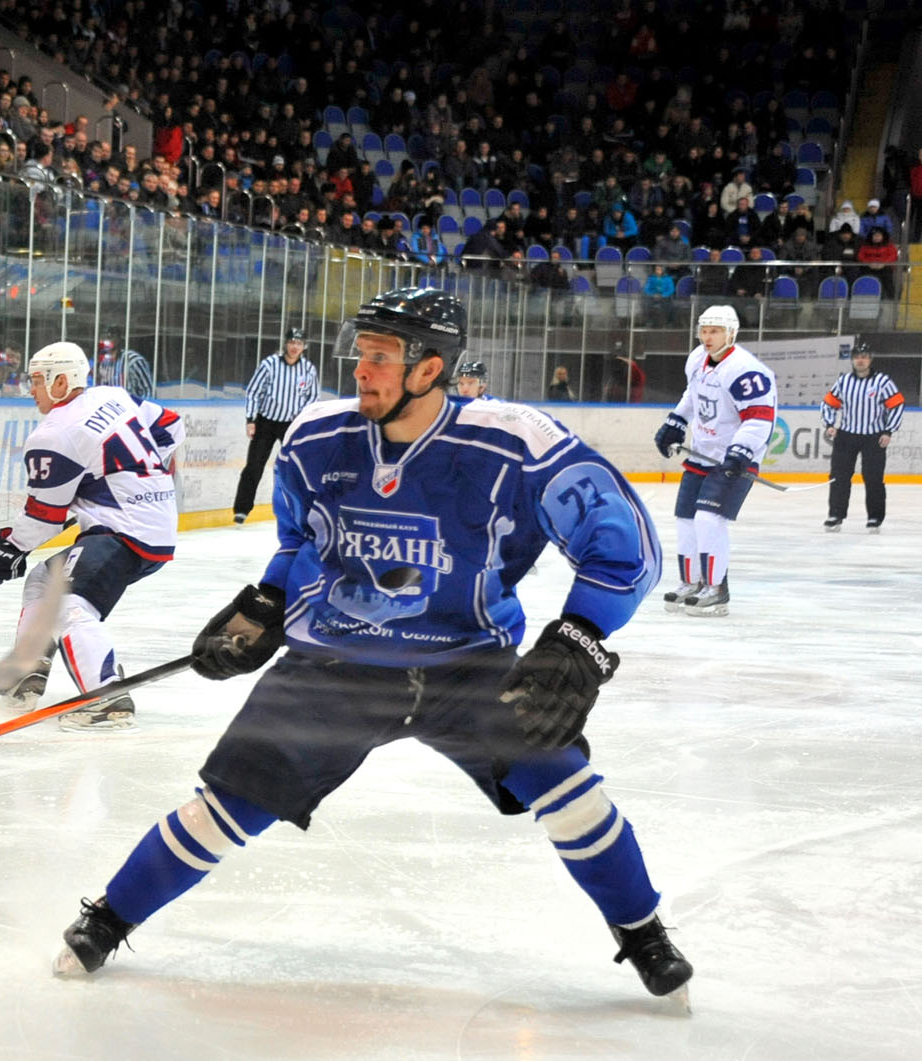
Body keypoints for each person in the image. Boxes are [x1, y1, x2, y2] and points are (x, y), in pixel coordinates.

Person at [52, 287, 692, 1006]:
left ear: (430, 368)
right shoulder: (315, 440)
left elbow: (625, 548)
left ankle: (644, 933)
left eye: (383, 357)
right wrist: (265, 603)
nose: (362, 369)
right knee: (221, 807)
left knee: (570, 793)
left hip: (468, 663)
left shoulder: (517, 445)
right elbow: (301, 545)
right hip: (335, 664)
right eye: (361, 353)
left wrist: (579, 637)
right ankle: (108, 917)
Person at [0, 341, 184, 730]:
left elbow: (44, 516)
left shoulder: (55, 432)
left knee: (69, 605)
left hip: (123, 530)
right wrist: (133, 480)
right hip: (152, 520)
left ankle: (106, 696)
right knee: (44, 581)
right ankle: (27, 668)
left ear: (62, 381)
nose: (32, 389)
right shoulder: (113, 396)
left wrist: (11, 545)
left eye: (37, 380)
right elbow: (171, 424)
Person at [653, 304, 778, 616]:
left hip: (734, 458)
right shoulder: (697, 359)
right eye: (704, 331)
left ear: (731, 334)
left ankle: (716, 588)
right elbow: (692, 395)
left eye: (715, 331)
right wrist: (676, 422)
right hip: (703, 454)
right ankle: (691, 582)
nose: (707, 337)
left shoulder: (746, 371)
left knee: (709, 519)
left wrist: (740, 450)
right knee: (685, 519)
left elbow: (761, 418)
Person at [232, 327, 318, 524]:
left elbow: (312, 397)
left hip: (292, 424)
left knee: (298, 467)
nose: (295, 347)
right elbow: (254, 391)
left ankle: (302, 508)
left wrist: (303, 421)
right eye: (292, 342)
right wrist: (250, 419)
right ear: (285, 343)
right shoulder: (269, 364)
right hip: (266, 422)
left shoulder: (308, 369)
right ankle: (242, 509)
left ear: (304, 346)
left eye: (299, 343)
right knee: (254, 466)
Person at [821, 341, 905, 532]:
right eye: (857, 357)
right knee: (839, 477)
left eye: (864, 357)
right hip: (846, 436)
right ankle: (836, 515)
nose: (861, 360)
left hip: (873, 437)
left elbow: (897, 405)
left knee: (874, 478)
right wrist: (829, 424)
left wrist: (888, 430)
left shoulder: (882, 382)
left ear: (870, 360)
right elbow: (828, 403)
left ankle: (875, 517)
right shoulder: (844, 382)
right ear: (852, 359)